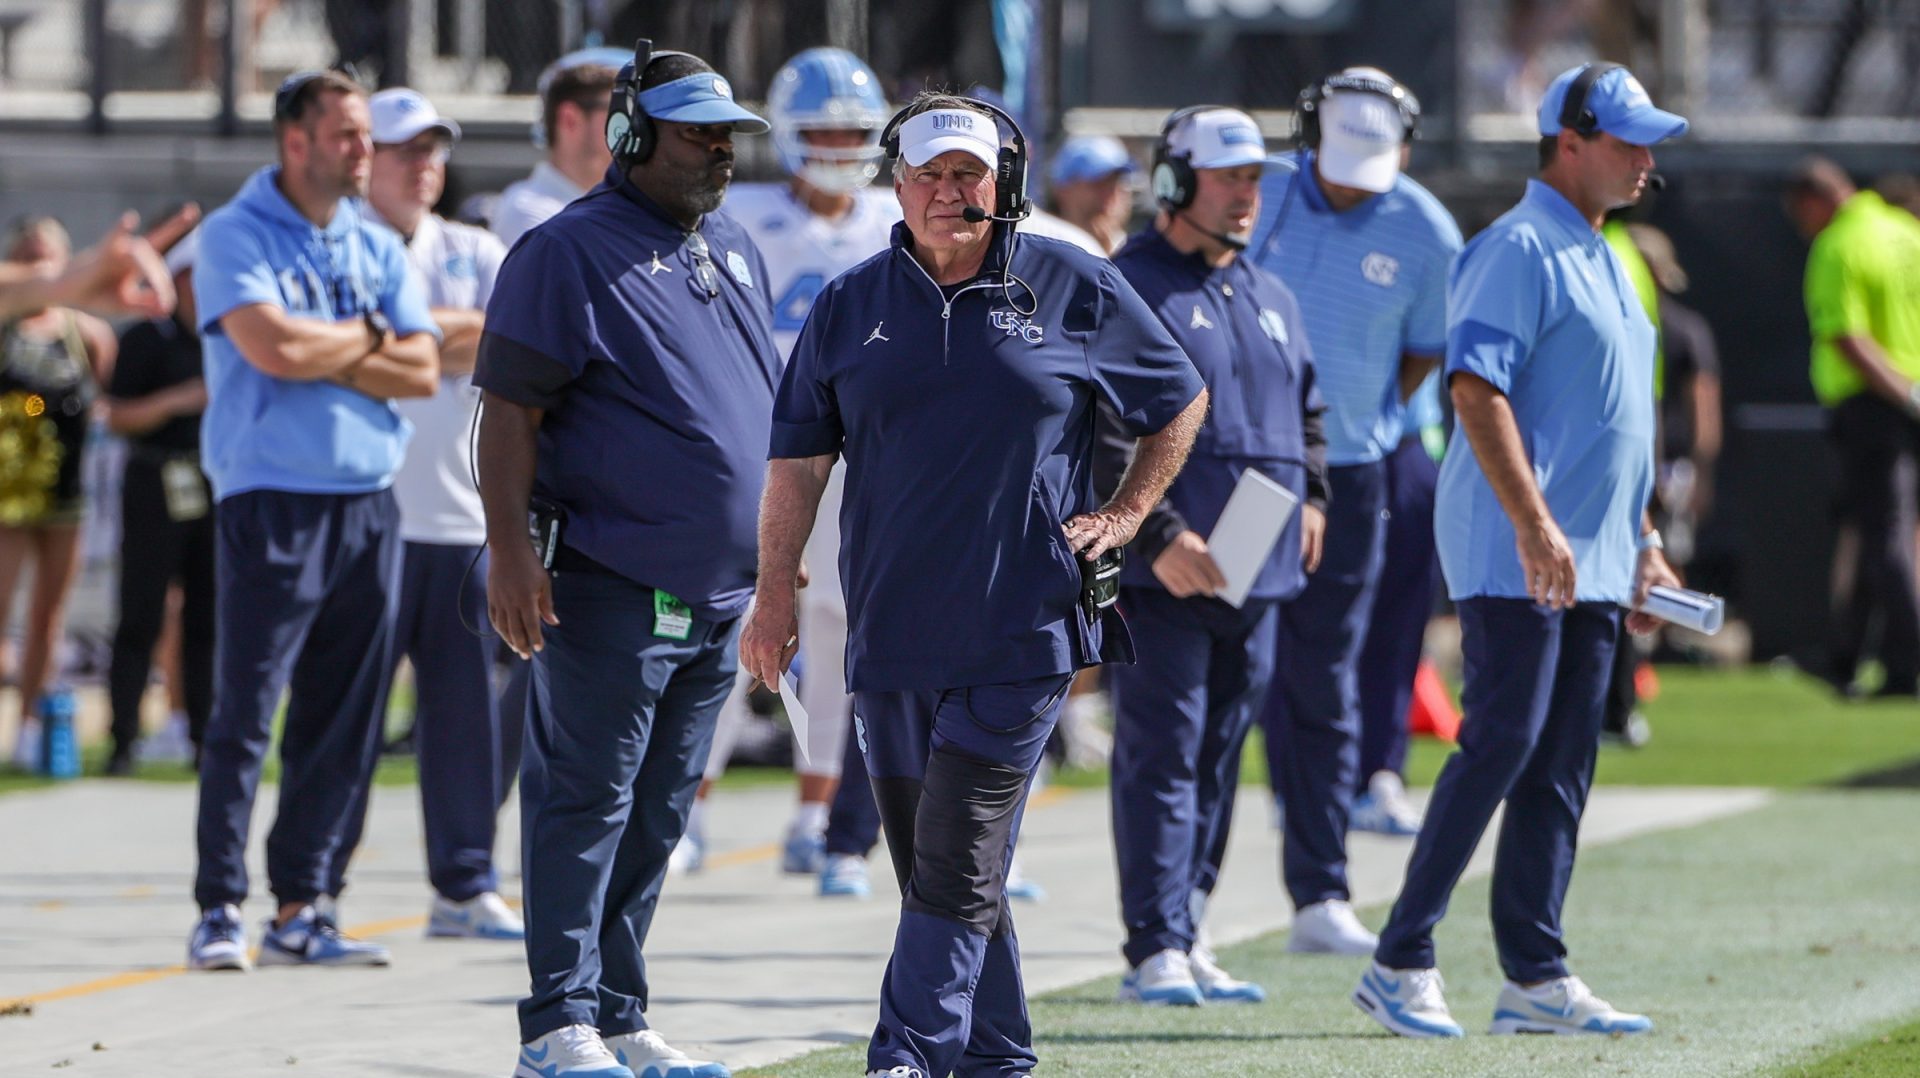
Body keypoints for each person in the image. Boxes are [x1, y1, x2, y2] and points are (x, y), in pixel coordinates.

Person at [740, 91, 1208, 1078]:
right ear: (898, 186)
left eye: (971, 174)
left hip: (1025, 626)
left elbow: (1179, 398)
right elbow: (795, 464)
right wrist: (774, 593)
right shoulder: (846, 305)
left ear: (1006, 185)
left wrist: (1126, 513)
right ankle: (998, 1055)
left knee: (958, 847)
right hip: (891, 628)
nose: (952, 192)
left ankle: (904, 1055)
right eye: (931, 175)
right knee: (938, 864)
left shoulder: (1073, 282)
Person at [1354, 61, 1686, 1038]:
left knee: (1561, 762)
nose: (1643, 160)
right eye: (1627, 140)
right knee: (1502, 738)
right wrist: (1536, 524)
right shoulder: (1518, 247)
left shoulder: (1605, 253)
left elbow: (1611, 424)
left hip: (1594, 555)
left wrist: (1645, 546)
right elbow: (1475, 391)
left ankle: (1534, 972)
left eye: (1648, 142)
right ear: (1568, 140)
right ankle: (1400, 954)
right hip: (1521, 550)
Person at [474, 43, 773, 1078]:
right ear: (633, 136)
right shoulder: (565, 251)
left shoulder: (731, 243)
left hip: (720, 591)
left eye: (729, 135)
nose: (722, 153)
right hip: (607, 580)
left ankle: (618, 1006)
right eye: (699, 134)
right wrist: (509, 550)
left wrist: (775, 556)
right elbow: (509, 410)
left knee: (658, 810)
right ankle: (557, 1022)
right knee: (584, 801)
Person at [186, 69, 441, 974]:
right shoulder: (233, 234)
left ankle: (305, 903)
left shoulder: (374, 243)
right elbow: (272, 347)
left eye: (367, 133)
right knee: (246, 712)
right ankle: (220, 905)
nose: (363, 150)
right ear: (295, 141)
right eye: (346, 134)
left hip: (369, 501)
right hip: (271, 499)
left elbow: (421, 369)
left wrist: (345, 348)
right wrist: (367, 340)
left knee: (344, 718)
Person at [1101, 106, 1326, 1008]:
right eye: (1228, 175)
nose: (1246, 193)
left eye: (1254, 177)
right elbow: (1095, 424)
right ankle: (1152, 944)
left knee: (1224, 756)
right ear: (1171, 182)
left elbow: (1308, 413)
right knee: (1163, 755)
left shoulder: (1270, 294)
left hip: (1257, 574)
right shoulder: (1126, 286)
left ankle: (1187, 932)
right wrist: (1156, 536)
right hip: (1167, 577)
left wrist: (1315, 496)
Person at [1242, 66, 1462, 947]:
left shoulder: (1428, 232)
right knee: (1230, 670)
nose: (1347, 180)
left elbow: (1422, 355)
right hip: (1247, 474)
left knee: (1324, 674)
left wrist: (1356, 415)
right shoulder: (1256, 192)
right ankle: (1177, 911)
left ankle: (1319, 889)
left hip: (1351, 476)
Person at [683, 45, 899, 888]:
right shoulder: (744, 215)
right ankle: (689, 812)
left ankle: (819, 813)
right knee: (746, 629)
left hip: (863, 454)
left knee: (842, 639)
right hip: (768, 448)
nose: (841, 144)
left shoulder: (893, 217)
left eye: (854, 129)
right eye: (824, 128)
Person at [324, 87, 523, 940]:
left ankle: (465, 884)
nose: (424, 164)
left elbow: (505, 338)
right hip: (367, 518)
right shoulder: (337, 243)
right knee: (347, 716)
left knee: (465, 720)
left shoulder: (477, 246)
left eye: (434, 149)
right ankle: (317, 885)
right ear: (368, 161)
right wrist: (434, 336)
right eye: (407, 149)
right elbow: (335, 347)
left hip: (459, 522)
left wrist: (395, 336)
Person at [1784, 156, 1920, 700]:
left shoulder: (1839, 244)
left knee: (1886, 531)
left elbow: (1846, 335)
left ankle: (1907, 661)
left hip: (1876, 404)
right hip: (1908, 399)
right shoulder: (1905, 231)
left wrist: (1903, 393)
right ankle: (1847, 654)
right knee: (1877, 530)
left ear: (1814, 201)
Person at [0, 217, 118, 769]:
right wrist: (35, 410)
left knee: (50, 614)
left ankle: (29, 728)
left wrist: (63, 413)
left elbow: (93, 400)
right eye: (29, 256)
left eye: (50, 257)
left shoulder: (88, 334)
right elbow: (27, 400)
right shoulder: (7, 323)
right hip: (8, 492)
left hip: (65, 489)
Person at [104, 228, 214, 775]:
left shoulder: (230, 334)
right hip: (154, 484)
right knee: (140, 613)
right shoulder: (146, 337)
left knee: (207, 617)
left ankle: (203, 738)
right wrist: (177, 401)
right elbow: (116, 415)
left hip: (214, 485)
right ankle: (122, 738)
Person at [491, 48, 627, 248]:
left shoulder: (624, 208)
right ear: (570, 119)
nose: (635, 125)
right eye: (623, 112)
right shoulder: (530, 215)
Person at [1049, 134, 1136, 256]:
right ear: (1064, 190)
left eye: (1117, 183)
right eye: (1099, 183)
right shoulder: (1040, 248)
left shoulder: (1141, 256)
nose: (1111, 194)